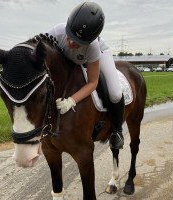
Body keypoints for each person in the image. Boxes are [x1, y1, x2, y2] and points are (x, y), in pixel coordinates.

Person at [48, 1, 124, 150]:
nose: (70, 42)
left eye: (77, 42)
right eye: (69, 36)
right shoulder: (56, 32)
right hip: (71, 60)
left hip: (99, 55)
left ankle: (117, 132)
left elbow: (93, 82)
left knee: (115, 93)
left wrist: (71, 101)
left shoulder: (93, 47)